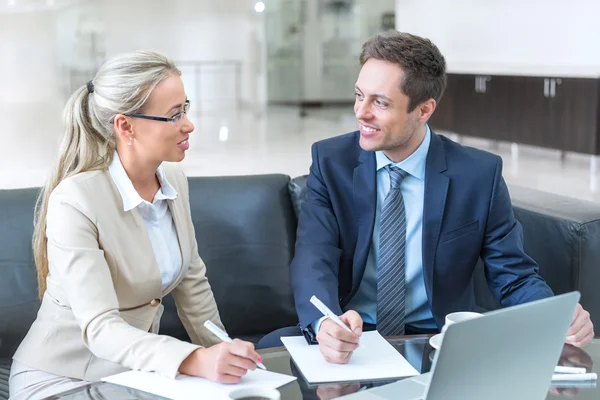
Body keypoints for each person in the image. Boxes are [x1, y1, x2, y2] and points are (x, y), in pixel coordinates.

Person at [257, 31, 594, 362]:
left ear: (424, 109)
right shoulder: (331, 162)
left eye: (381, 102)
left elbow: (512, 273)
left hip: (439, 339)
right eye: (359, 95)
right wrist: (326, 322)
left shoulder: (477, 175)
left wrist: (555, 315)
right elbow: (314, 256)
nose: (361, 112)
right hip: (355, 335)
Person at [9, 50, 261, 400]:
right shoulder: (76, 200)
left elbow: (193, 286)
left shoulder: (172, 178)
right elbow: (100, 328)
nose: (188, 124)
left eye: (185, 109)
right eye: (174, 116)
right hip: (63, 378)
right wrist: (195, 359)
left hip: (134, 375)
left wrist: (226, 352)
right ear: (125, 126)